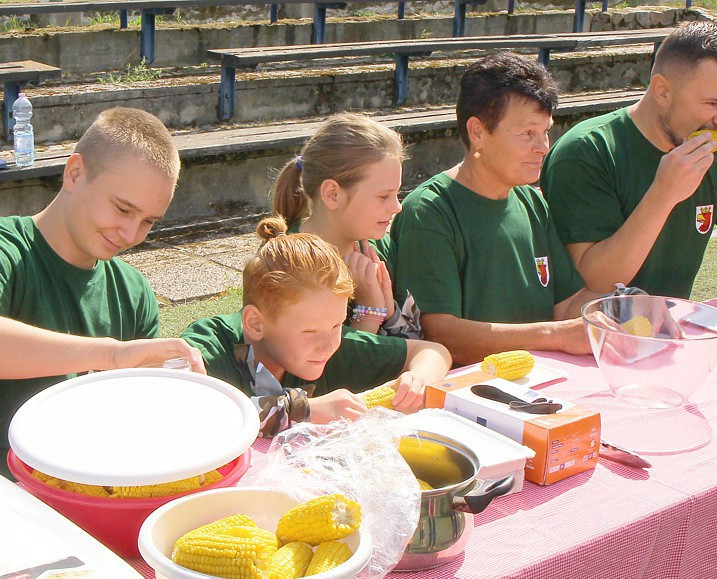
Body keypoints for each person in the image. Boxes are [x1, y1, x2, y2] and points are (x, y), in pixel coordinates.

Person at [0, 107, 205, 477]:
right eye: (123, 209)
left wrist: (174, 389)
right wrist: (114, 355)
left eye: (148, 221)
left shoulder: (133, 293)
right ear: (75, 173)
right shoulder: (9, 250)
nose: (130, 234)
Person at [384, 52, 602, 366]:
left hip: (541, 379)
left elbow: (567, 304)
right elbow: (442, 335)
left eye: (545, 132)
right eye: (528, 133)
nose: (543, 147)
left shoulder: (531, 202)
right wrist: (555, 335)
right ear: (478, 132)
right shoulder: (430, 210)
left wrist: (622, 309)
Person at [540, 21, 717, 298]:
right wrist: (664, 194)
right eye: (711, 103)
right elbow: (592, 285)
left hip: (672, 323)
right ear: (662, 91)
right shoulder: (586, 151)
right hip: (598, 325)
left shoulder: (707, 150)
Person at [181, 216, 451, 437]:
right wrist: (304, 410)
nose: (329, 345)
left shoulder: (331, 344)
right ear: (255, 323)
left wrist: (417, 380)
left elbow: (433, 352)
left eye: (337, 325)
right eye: (309, 332)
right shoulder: (207, 347)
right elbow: (191, 413)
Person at [271, 112, 421, 338]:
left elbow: (416, 339)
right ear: (333, 194)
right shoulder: (288, 264)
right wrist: (369, 310)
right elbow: (321, 357)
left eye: (397, 194)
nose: (397, 207)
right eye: (384, 196)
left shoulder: (378, 248)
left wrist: (390, 311)